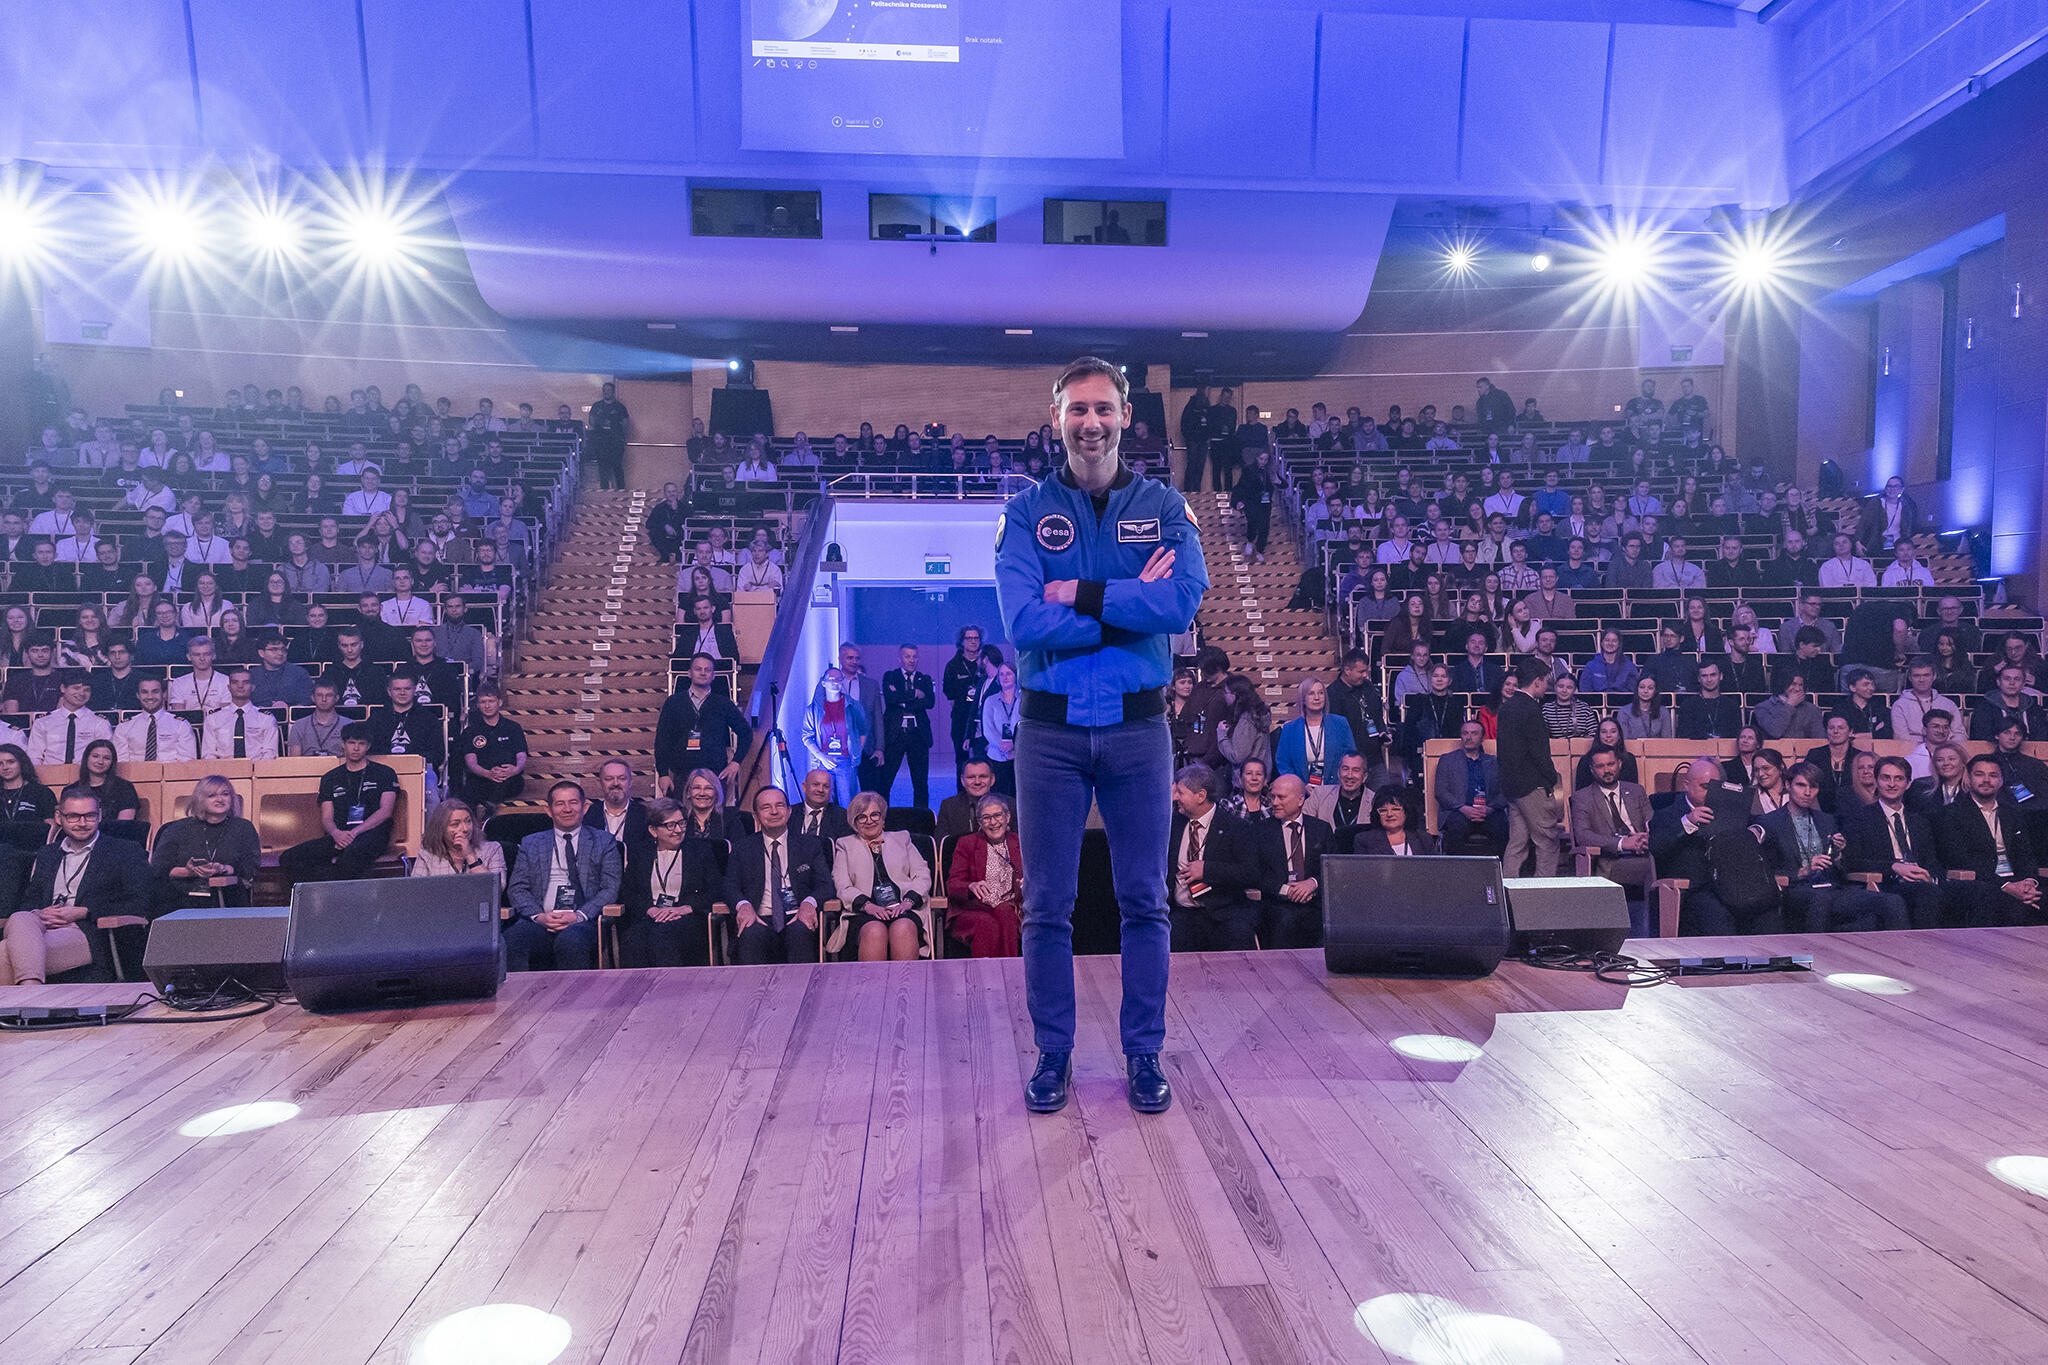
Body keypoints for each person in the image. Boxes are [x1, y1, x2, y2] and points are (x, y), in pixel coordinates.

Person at [996, 357, 1207, 1117]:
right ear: (1056, 418)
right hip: (1049, 734)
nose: (1091, 422)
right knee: (1046, 905)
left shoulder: (1165, 505)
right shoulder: (1026, 513)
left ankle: (1144, 1052)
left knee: (1144, 900)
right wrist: (1127, 605)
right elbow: (1023, 621)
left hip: (1137, 730)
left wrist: (1081, 593)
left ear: (1125, 417)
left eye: (1104, 408)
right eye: (1078, 409)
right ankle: (1053, 1054)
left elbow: (1179, 605)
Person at [0, 788, 155, 984]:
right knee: (20, 917)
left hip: (87, 931)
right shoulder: (48, 854)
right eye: (73, 816)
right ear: (59, 817)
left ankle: (30, 991)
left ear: (99, 815)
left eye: (89, 816)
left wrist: (84, 912)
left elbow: (141, 903)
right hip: (42, 927)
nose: (82, 823)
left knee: (6, 953)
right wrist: (39, 912)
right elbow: (30, 900)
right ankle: (31, 990)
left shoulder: (124, 851)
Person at [505, 780, 623, 971]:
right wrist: (539, 916)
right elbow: (517, 888)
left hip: (584, 922)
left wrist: (579, 915)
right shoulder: (531, 843)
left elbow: (611, 887)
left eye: (573, 802)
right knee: (513, 940)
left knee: (571, 941)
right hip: (540, 920)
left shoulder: (604, 841)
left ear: (584, 808)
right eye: (560, 803)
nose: (567, 809)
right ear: (549, 810)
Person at [725, 785, 832, 966]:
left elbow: (826, 885)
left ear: (789, 811)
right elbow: (729, 886)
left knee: (800, 931)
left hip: (797, 916)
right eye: (766, 807)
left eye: (779, 805)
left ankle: (800, 986)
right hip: (758, 917)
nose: (774, 811)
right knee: (749, 933)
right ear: (756, 816)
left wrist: (809, 903)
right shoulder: (742, 848)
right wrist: (743, 905)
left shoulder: (810, 845)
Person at [280, 725, 401, 883]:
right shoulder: (330, 778)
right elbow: (327, 818)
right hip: (339, 835)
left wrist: (354, 834)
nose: (356, 748)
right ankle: (313, 896)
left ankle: (330, 894)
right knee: (289, 858)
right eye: (351, 743)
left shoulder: (385, 773)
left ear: (368, 746)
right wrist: (336, 833)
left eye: (361, 744)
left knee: (351, 855)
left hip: (372, 834)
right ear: (343, 744)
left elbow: (385, 812)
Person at [1937, 756, 2043, 927]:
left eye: (1993, 775)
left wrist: (2029, 882)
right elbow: (1960, 859)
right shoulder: (1951, 814)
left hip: (2017, 879)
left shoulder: (2013, 812)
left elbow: (2026, 854)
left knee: (2039, 895)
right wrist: (2006, 885)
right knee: (2002, 901)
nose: (1986, 780)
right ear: (1968, 778)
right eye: (1979, 774)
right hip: (1980, 881)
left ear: (2001, 781)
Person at [1841, 756, 1945, 929]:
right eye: (1885, 778)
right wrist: (1893, 867)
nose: (1892, 784)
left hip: (1919, 882)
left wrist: (1930, 877)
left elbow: (1932, 861)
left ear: (1908, 784)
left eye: (1898, 778)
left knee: (1954, 890)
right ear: (1876, 781)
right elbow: (1853, 861)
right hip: (1885, 883)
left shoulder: (1919, 821)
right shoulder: (1859, 818)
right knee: (1927, 894)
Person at [1166, 764, 1260, 952]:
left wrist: (1207, 870)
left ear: (1200, 796)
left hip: (1223, 915)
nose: (1175, 798)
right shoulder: (1172, 825)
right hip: (1181, 915)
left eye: (1180, 793)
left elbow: (1251, 873)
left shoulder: (1236, 827)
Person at [617, 797, 720, 968]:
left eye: (681, 823)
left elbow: (716, 889)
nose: (678, 830)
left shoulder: (699, 850)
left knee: (663, 936)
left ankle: (670, 985)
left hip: (687, 919)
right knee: (633, 938)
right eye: (670, 825)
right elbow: (627, 892)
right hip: (651, 916)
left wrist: (684, 908)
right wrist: (650, 909)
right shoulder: (641, 853)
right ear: (653, 830)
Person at [831, 790, 932, 962]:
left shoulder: (902, 838)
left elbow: (922, 875)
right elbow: (843, 886)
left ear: (883, 817)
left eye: (874, 814)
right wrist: (869, 906)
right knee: (875, 931)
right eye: (862, 817)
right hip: (864, 912)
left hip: (904, 908)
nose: (869, 820)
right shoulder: (845, 845)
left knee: (902, 928)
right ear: (854, 822)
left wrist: (907, 902)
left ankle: (904, 981)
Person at [150, 772, 263, 914]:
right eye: (212, 795)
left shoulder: (243, 827)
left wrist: (224, 869)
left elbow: (251, 866)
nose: (220, 799)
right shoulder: (177, 829)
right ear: (200, 800)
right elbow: (159, 868)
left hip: (227, 894)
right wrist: (190, 872)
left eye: (225, 794)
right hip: (182, 896)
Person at [653, 653, 753, 799]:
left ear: (713, 675)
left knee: (715, 813)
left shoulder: (723, 703)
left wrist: (736, 762)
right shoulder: (673, 702)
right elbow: (662, 740)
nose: (703, 673)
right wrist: (663, 773)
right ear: (689, 673)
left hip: (715, 775)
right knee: (681, 813)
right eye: (698, 669)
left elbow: (746, 733)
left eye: (708, 670)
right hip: (681, 776)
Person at [1255, 775, 1332, 948]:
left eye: (1281, 797)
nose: (1274, 802)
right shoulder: (1260, 831)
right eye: (1273, 797)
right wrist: (1287, 891)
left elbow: (1334, 869)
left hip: (1315, 903)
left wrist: (1313, 883)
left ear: (1300, 800)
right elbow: (1254, 874)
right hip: (1277, 905)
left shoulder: (1321, 829)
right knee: (1285, 922)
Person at [1498, 662, 1560, 877]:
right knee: (1547, 841)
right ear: (1537, 681)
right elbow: (1538, 752)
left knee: (1517, 843)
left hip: (1511, 786)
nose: (1547, 686)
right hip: (1532, 786)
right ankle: (1543, 891)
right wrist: (1551, 777)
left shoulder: (1507, 707)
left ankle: (1507, 889)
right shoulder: (1531, 709)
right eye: (1546, 681)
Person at [945, 793, 1026, 958]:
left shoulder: (1020, 843)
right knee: (986, 923)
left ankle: (1007, 970)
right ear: (980, 823)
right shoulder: (967, 844)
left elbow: (1038, 877)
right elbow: (953, 884)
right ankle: (986, 973)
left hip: (1010, 908)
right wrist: (970, 885)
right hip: (973, 909)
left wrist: (1028, 883)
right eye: (987, 818)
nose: (993, 822)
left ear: (1008, 817)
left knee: (1005, 911)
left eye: (998, 815)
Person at [877, 644, 936, 810]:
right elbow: (891, 699)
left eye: (914, 656)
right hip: (895, 735)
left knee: (920, 783)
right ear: (899, 658)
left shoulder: (924, 679)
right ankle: (882, 817)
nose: (911, 660)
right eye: (907, 656)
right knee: (886, 780)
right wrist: (915, 694)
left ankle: (922, 820)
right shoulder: (890, 676)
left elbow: (929, 702)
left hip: (918, 735)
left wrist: (902, 700)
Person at [801, 667, 869, 806]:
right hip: (823, 762)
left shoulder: (853, 706)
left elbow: (863, 730)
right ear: (823, 683)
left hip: (846, 761)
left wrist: (857, 751)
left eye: (839, 679)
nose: (835, 682)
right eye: (831, 679)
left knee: (847, 803)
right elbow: (807, 736)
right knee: (823, 803)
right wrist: (821, 756)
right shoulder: (813, 709)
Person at [408, 798, 506, 894]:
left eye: (468, 821)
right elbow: (415, 892)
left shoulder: (492, 849)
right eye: (455, 824)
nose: (465, 829)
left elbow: (496, 891)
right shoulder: (428, 853)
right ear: (441, 829)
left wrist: (470, 857)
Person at [1273, 677, 1356, 788]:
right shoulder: (1290, 729)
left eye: (1321, 693)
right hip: (1301, 790)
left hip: (1335, 788)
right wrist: (1300, 785)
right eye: (1311, 693)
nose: (1317, 697)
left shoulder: (1340, 723)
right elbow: (1283, 762)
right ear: (1303, 699)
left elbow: (1351, 757)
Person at [26, 670, 112, 766]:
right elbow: (34, 757)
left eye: (87, 690)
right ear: (63, 688)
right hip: (51, 773)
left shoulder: (99, 722)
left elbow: (106, 756)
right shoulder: (43, 722)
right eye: (76, 688)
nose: (81, 693)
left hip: (85, 773)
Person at [942, 625, 995, 780]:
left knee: (985, 759)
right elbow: (950, 697)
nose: (973, 641)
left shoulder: (986, 663)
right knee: (962, 760)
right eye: (969, 638)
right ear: (962, 641)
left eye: (976, 638)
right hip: (961, 719)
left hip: (984, 720)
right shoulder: (953, 665)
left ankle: (985, 793)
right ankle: (962, 794)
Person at [582, 757, 651, 853]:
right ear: (599, 783)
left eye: (622, 778)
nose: (616, 783)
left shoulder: (645, 815)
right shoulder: (587, 815)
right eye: (609, 779)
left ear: (630, 782)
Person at [1353, 786, 1439, 858]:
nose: (1389, 814)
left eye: (1395, 809)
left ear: (1406, 812)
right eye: (1383, 810)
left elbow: (1434, 869)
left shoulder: (1423, 839)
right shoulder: (1364, 840)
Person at [979, 662, 1023, 796]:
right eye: (1002, 674)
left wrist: (1013, 744)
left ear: (1016, 676)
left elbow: (1028, 727)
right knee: (999, 797)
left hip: (1019, 755)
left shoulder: (1024, 700)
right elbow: (988, 729)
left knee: (1017, 796)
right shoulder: (990, 701)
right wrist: (1003, 746)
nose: (1005, 677)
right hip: (996, 755)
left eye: (1009, 673)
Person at [1677, 661, 1743, 741]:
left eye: (1713, 675)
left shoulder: (1731, 706)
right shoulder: (1688, 706)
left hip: (1726, 747)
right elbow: (1683, 736)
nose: (1709, 679)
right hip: (1697, 748)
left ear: (1721, 676)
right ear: (1699, 679)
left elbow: (1737, 735)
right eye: (1704, 676)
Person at [936, 760, 996, 842]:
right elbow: (942, 844)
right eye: (971, 777)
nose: (977, 782)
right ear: (962, 780)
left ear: (992, 779)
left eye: (983, 777)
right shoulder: (948, 806)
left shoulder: (1009, 805)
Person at [587, 381, 630, 490]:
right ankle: (604, 492)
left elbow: (625, 424)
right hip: (601, 442)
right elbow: (591, 422)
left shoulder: (620, 407)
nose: (606, 392)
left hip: (616, 442)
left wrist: (616, 430)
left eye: (609, 390)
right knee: (603, 468)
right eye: (604, 390)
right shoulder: (597, 406)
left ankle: (621, 491)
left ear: (613, 392)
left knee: (617, 466)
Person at [1755, 676, 1825, 741]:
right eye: (1793, 684)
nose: (1797, 689)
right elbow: (1775, 732)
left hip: (1804, 749)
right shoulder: (1763, 708)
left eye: (1801, 685)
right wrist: (1789, 705)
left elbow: (1820, 739)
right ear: (1782, 683)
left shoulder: (1812, 709)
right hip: (1774, 749)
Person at [792, 767, 852, 842]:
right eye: (816, 784)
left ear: (831, 791)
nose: (820, 790)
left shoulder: (843, 817)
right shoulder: (790, 814)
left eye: (826, 786)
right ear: (804, 787)